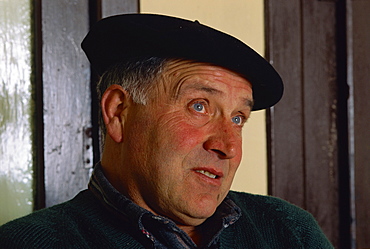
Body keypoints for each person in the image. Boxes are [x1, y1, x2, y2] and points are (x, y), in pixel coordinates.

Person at [0, 14, 333, 248]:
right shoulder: (29, 242)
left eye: (237, 119)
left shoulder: (288, 230)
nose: (227, 146)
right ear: (119, 113)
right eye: (199, 106)